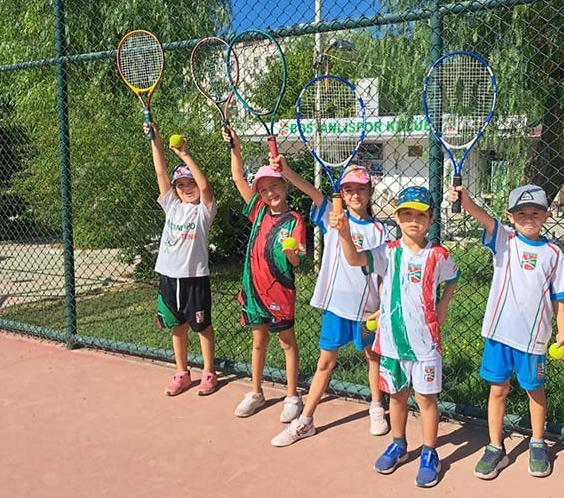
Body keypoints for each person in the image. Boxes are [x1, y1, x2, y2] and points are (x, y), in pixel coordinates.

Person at [448, 184, 564, 480]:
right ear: (510, 216)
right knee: (497, 390)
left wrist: (562, 331)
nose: (528, 218)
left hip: (534, 338)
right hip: (499, 333)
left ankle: (538, 443)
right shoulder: (504, 240)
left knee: (534, 389)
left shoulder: (554, 254)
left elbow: (560, 297)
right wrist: (465, 200)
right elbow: (483, 217)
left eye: (535, 212)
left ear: (546, 215)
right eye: (521, 213)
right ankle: (495, 447)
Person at [335, 186, 458, 488]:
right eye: (406, 215)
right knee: (397, 397)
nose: (413, 221)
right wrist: (344, 233)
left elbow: (453, 278)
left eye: (420, 215)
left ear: (430, 219)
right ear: (397, 218)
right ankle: (398, 444)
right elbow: (353, 260)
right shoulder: (387, 252)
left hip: (426, 344)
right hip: (391, 343)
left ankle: (429, 452)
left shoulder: (439, 255)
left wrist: (442, 305)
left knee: (426, 399)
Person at [269, 156, 389, 447]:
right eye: (348, 190)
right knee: (326, 362)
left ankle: (376, 407)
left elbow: (383, 273)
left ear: (370, 192)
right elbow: (311, 191)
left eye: (360, 189)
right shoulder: (332, 217)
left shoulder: (380, 231)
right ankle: (306, 420)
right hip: (337, 308)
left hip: (367, 310)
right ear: (342, 195)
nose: (354, 195)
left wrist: (382, 309)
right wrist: (286, 172)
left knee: (373, 358)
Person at [226, 128, 306, 422]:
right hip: (254, 290)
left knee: (286, 342)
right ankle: (256, 392)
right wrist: (235, 148)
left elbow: (297, 262)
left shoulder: (295, 220)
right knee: (258, 341)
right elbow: (237, 178)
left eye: (275, 186)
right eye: (264, 189)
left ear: (285, 186)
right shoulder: (258, 212)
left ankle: (291, 395)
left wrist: (290, 254)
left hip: (280, 291)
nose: (270, 193)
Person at [148, 124, 218, 396]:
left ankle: (209, 373)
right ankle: (181, 372)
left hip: (195, 278)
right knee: (177, 325)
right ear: (175, 190)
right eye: (181, 185)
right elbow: (161, 173)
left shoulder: (204, 211)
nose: (187, 189)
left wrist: (185, 155)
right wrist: (156, 142)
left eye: (190, 184)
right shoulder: (172, 206)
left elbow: (206, 186)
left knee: (201, 326)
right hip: (168, 276)